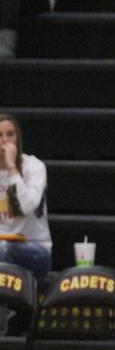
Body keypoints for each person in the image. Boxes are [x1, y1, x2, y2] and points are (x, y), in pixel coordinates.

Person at [0, 113, 51, 277]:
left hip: (35, 249)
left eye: (10, 135)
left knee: (4, 249)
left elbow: (25, 207)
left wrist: (11, 167)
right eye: (0, 136)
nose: (5, 141)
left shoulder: (34, 167)